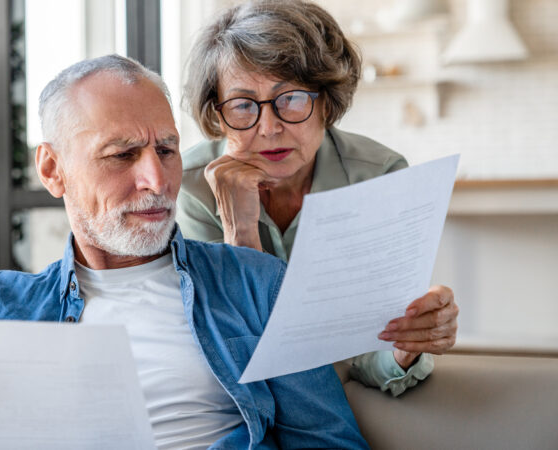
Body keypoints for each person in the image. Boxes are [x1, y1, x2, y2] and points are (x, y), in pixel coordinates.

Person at [0, 55, 368, 449]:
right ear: (53, 170)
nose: (157, 181)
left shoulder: (254, 284)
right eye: (121, 155)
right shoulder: (3, 307)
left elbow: (329, 440)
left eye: (165, 149)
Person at [177, 0, 459, 396]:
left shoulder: (377, 177)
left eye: (290, 98)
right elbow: (231, 353)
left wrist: (405, 347)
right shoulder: (189, 188)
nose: (269, 128)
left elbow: (367, 353)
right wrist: (240, 231)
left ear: (325, 102)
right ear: (218, 115)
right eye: (242, 106)